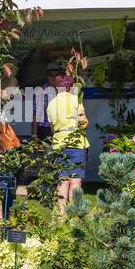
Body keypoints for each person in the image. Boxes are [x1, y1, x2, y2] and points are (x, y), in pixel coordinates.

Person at [45, 72, 89, 213]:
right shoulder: (75, 100)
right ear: (70, 87)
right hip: (75, 143)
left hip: (58, 144)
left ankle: (61, 214)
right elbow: (82, 122)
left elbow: (52, 128)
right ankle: (75, 214)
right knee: (75, 181)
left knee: (62, 180)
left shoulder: (51, 104)